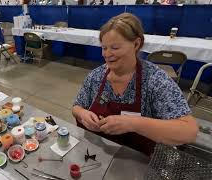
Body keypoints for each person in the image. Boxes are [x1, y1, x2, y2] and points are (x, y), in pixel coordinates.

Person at [72, 13, 198, 156]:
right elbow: (77, 107)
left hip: (138, 162)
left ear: (136, 44)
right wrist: (83, 114)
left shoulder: (154, 81)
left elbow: (189, 131)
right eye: (104, 47)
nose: (107, 54)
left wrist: (132, 123)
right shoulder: (96, 76)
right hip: (98, 154)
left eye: (114, 47)